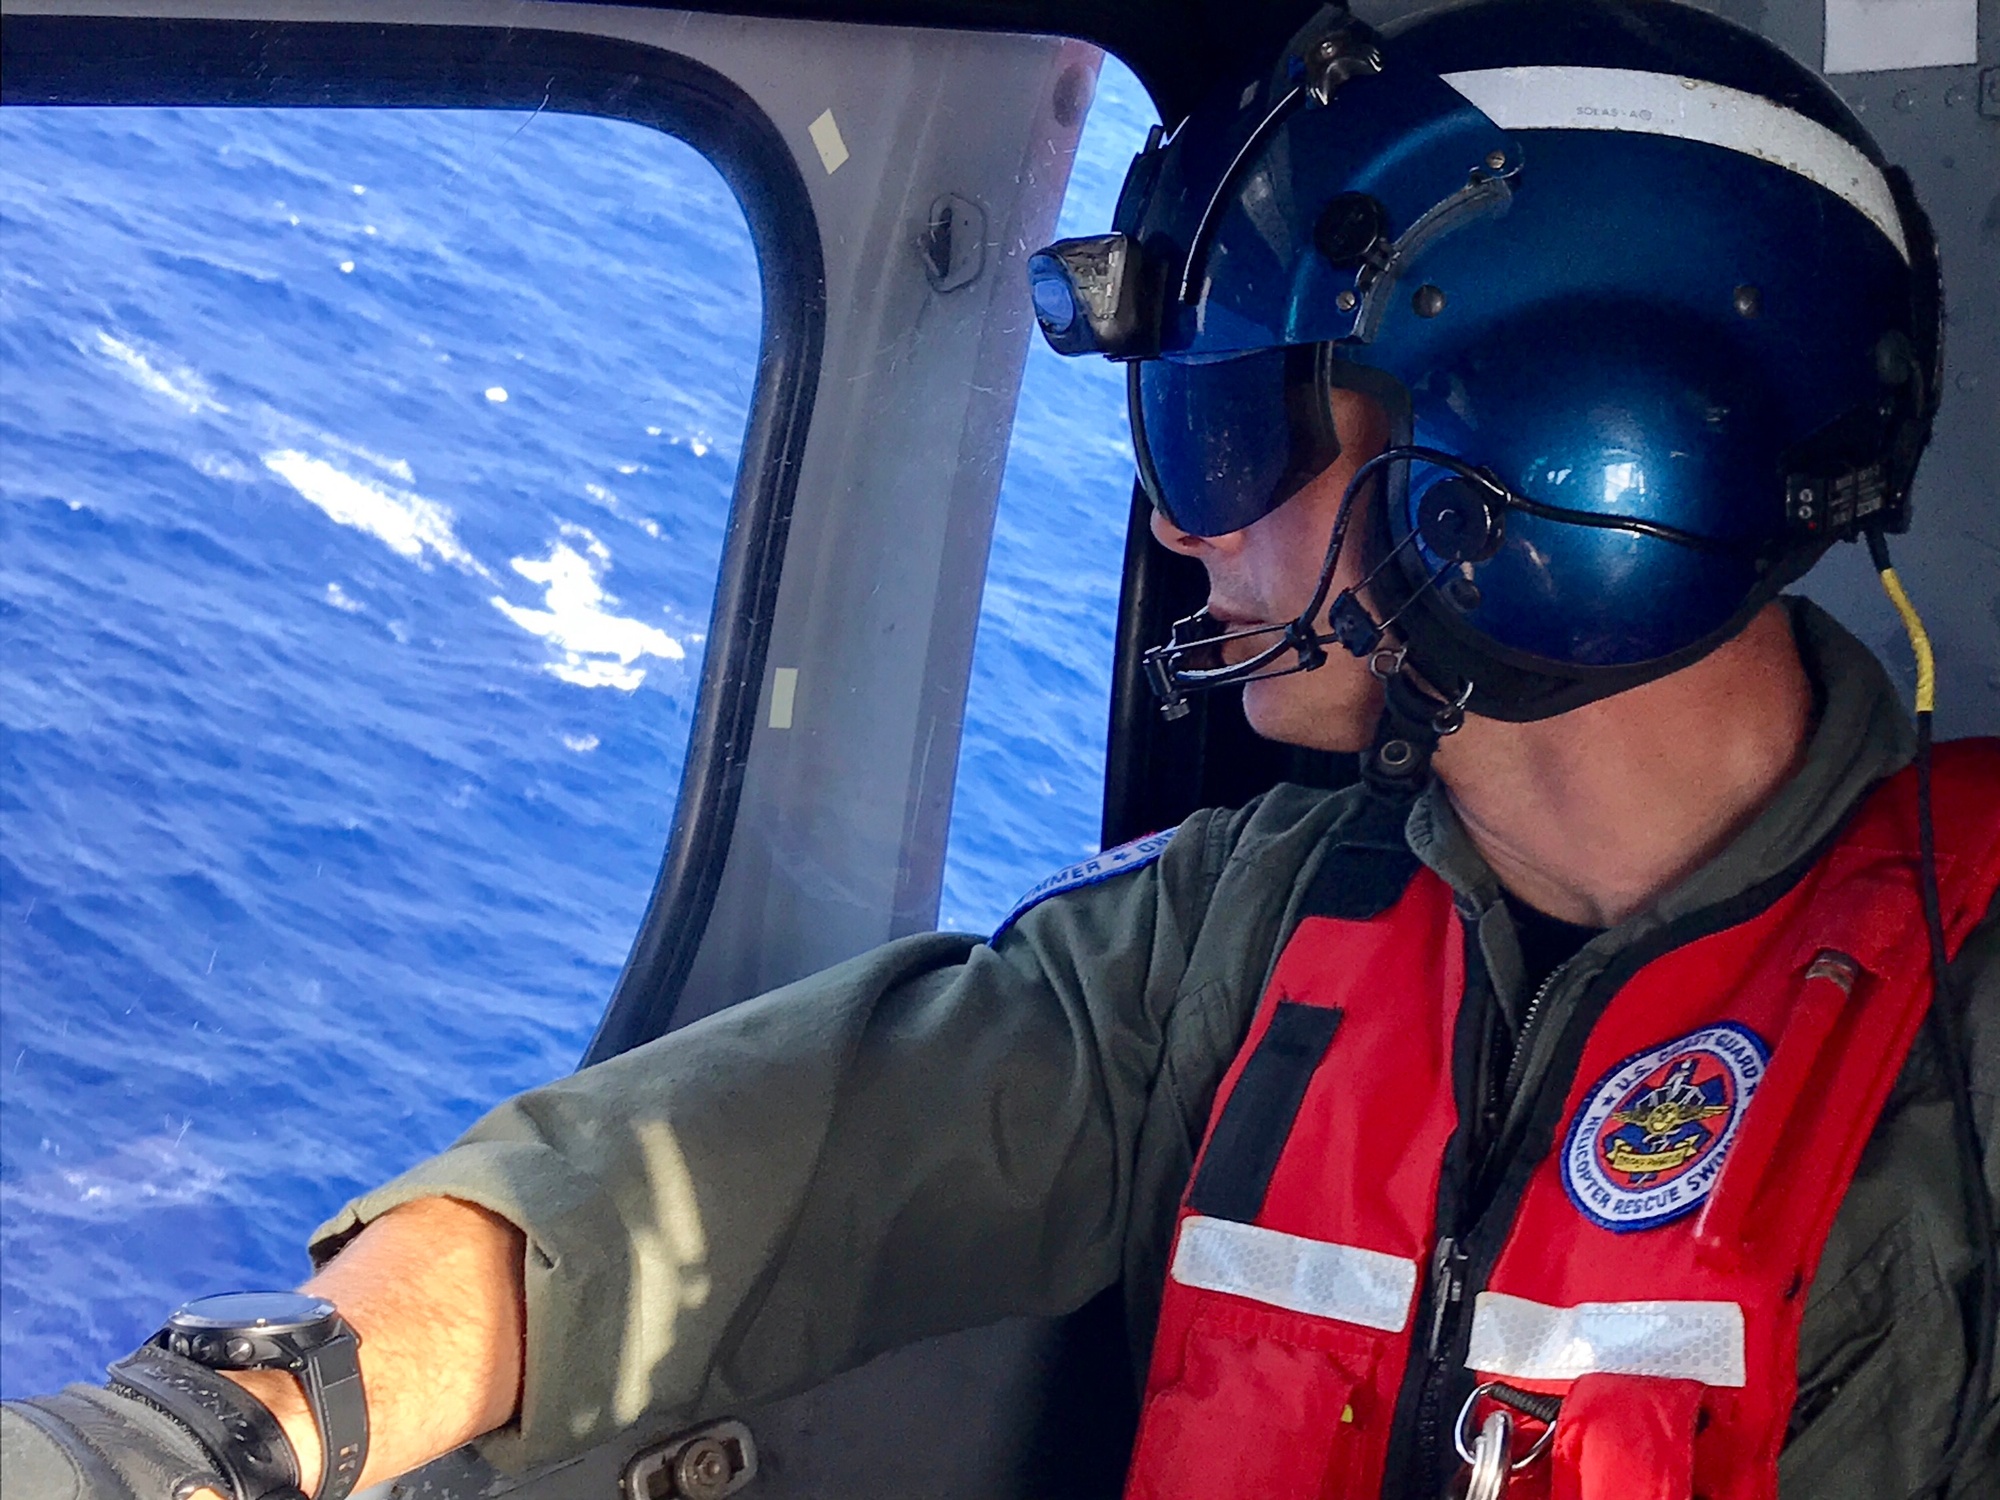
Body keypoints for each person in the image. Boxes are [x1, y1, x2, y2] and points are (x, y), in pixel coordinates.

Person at [6, 2, 1996, 1497]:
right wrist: (204, 1437)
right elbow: (731, 1182)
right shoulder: (1270, 922)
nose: (1173, 523)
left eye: (1222, 437)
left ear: (1551, 476)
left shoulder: (1966, 1052)